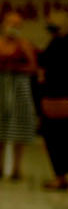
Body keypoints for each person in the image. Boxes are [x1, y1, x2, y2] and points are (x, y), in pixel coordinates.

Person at [0, 10, 39, 180]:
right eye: (10, 23)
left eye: (16, 25)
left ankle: (17, 168)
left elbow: (33, 68)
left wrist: (16, 67)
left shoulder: (24, 44)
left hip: (19, 87)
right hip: (0, 86)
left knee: (19, 128)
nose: (13, 28)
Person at [39, 23, 68, 190]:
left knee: (56, 139)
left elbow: (42, 70)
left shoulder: (56, 45)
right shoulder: (56, 44)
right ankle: (60, 176)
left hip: (56, 97)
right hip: (55, 96)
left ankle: (59, 176)